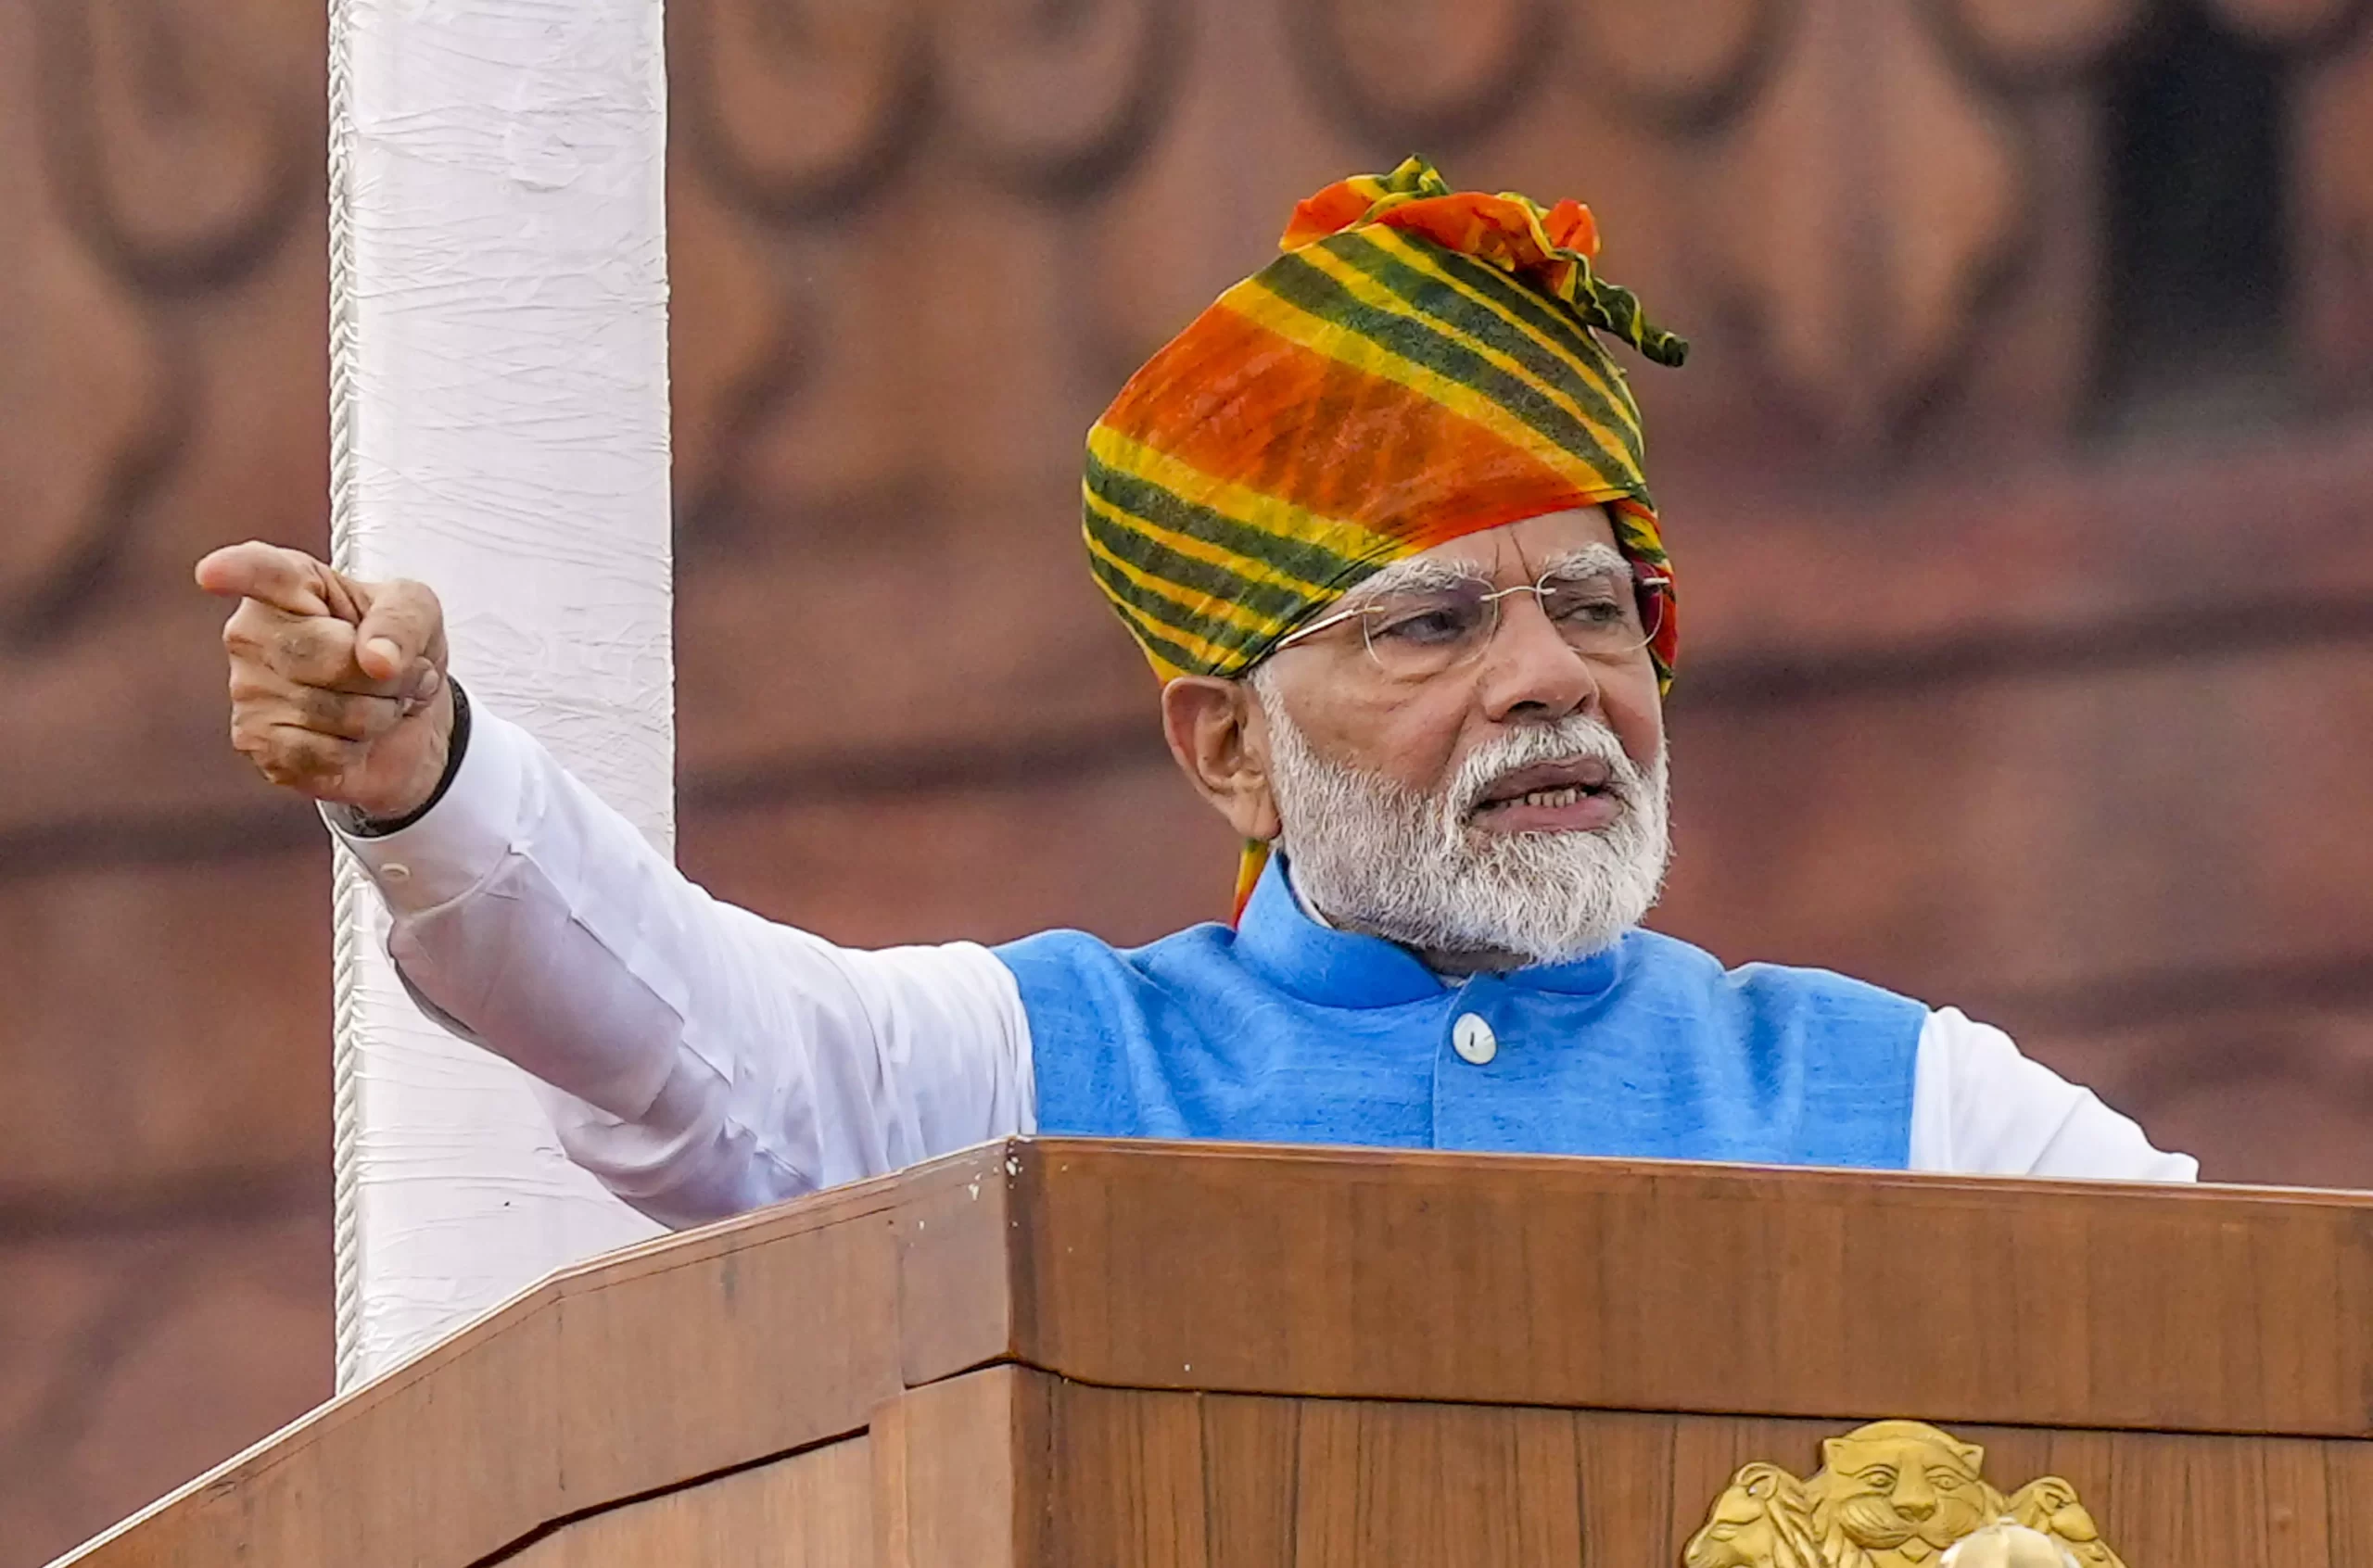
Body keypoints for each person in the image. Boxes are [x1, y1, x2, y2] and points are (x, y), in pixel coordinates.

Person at [197, 158, 2194, 1227]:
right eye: (1429, 628)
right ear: (1226, 743)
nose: (1545, 685)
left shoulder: (1910, 1110)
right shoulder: (1028, 1077)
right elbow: (684, 1043)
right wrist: (426, 777)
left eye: (1591, 611)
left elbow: (2266, 1374)